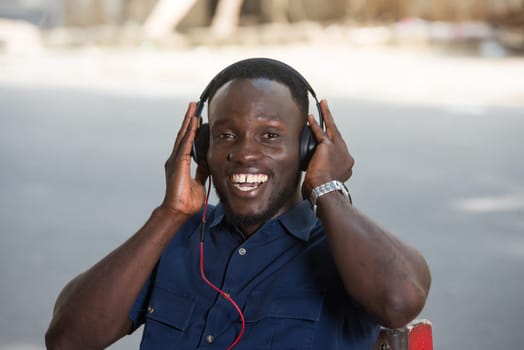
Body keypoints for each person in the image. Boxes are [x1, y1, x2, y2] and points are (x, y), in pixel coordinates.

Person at [45, 58, 431, 349]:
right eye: (227, 135)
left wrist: (326, 188)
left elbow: (400, 301)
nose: (245, 154)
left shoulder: (345, 249)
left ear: (308, 148)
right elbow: (67, 339)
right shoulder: (176, 237)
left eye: (270, 136)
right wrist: (168, 215)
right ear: (200, 148)